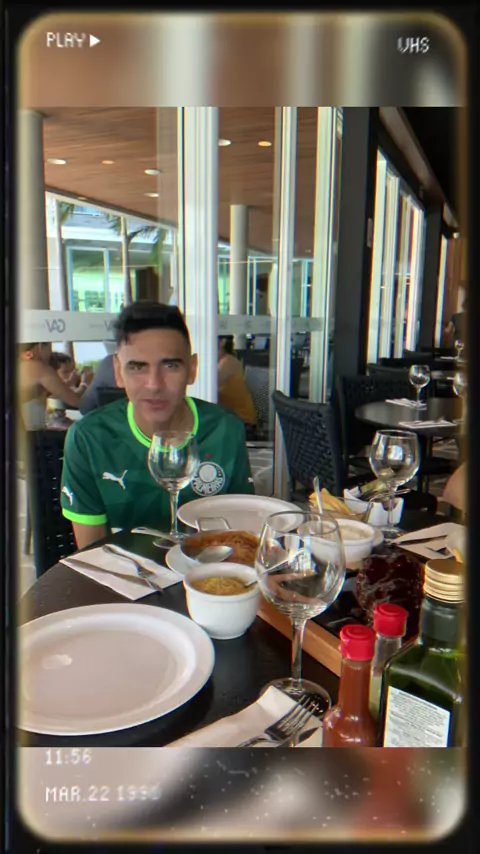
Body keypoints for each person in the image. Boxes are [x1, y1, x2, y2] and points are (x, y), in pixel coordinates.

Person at [61, 302, 255, 549]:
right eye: (137, 367)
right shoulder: (88, 438)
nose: (154, 384)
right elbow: (92, 554)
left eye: (170, 366)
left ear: (192, 370)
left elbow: (241, 532)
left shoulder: (225, 429)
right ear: (118, 372)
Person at [18, 343, 91, 431]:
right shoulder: (39, 368)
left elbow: (50, 391)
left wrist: (69, 382)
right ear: (41, 346)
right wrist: (85, 383)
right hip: (31, 434)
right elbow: (76, 401)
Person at [217, 336, 257, 428]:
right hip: (227, 418)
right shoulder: (217, 362)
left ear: (222, 342)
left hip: (242, 421)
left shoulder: (228, 362)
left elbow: (208, 386)